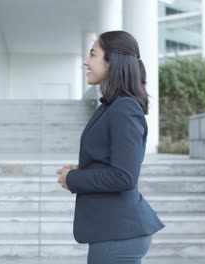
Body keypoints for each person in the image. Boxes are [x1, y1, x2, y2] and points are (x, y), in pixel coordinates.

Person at [56, 31, 164, 264]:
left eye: (93, 54)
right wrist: (80, 171)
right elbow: (111, 163)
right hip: (113, 231)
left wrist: (73, 178)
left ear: (112, 61)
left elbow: (124, 176)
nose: (85, 61)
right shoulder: (112, 105)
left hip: (118, 233)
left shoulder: (124, 108)